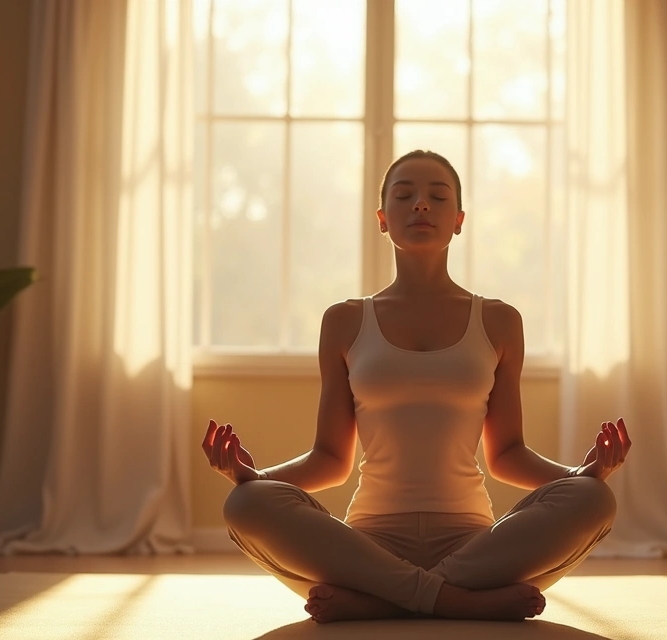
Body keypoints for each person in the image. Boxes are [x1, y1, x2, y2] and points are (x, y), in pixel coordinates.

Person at [201, 150, 631, 624]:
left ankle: (382, 601)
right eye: (404, 196)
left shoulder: (499, 321)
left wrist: (581, 473)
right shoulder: (344, 321)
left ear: (459, 220)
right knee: (245, 503)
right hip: (366, 544)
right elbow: (330, 460)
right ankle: (456, 602)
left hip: (473, 544)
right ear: (383, 219)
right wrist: (253, 478)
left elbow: (506, 454)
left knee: (593, 499)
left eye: (436, 196)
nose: (420, 205)